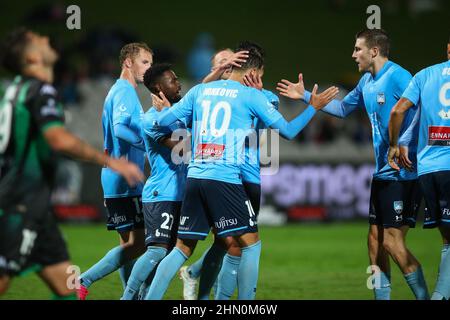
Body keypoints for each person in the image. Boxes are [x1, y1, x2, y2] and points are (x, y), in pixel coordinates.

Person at [143, 41, 339, 300]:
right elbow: (289, 132)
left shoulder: (200, 91)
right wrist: (312, 106)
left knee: (181, 248)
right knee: (251, 244)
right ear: (254, 72)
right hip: (225, 179)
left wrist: (163, 113)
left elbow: (163, 121)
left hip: (195, 178)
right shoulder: (251, 96)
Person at [277, 28, 429, 300]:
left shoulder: (399, 77)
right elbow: (342, 109)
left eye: (358, 49)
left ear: (374, 51)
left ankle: (424, 297)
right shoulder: (366, 82)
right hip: (382, 172)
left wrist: (405, 142)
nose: (353, 54)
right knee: (374, 241)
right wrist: (305, 98)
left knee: (393, 243)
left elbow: (420, 112)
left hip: (404, 171)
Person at [0, 28, 144, 298]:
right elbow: (59, 139)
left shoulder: (14, 90)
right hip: (20, 203)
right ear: (31, 57)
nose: (47, 39)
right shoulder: (39, 90)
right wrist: (111, 161)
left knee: (68, 288)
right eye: (39, 40)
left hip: (37, 209)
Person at [178, 48, 280, 300]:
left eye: (230, 60)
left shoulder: (263, 95)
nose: (227, 65)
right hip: (223, 175)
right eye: (221, 63)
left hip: (250, 176)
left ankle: (195, 274)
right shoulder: (208, 94)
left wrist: (257, 95)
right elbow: (200, 91)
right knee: (228, 241)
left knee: (231, 244)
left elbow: (267, 128)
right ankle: (209, 292)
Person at [77, 42, 153, 299]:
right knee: (143, 244)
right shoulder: (124, 92)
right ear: (128, 63)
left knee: (127, 245)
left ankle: (130, 296)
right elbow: (120, 129)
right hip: (125, 176)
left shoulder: (117, 91)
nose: (148, 69)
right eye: (145, 62)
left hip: (112, 175)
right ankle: (84, 280)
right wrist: (146, 142)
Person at [388, 37, 450, 300]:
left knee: (447, 238)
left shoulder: (425, 75)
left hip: (427, 169)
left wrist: (396, 143)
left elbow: (398, 111)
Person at [121, 63, 187, 300]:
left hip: (180, 194)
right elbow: (183, 149)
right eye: (173, 80)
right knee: (157, 251)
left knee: (170, 252)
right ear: (158, 87)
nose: (178, 83)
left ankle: (145, 296)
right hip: (162, 194)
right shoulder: (152, 120)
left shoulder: (178, 113)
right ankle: (127, 297)